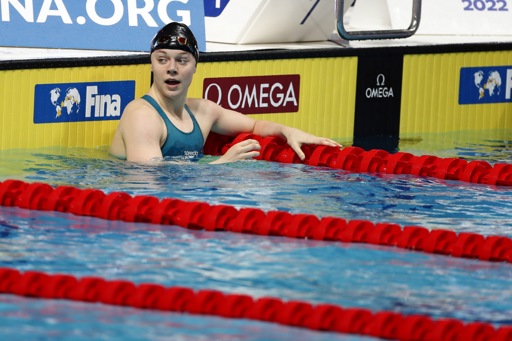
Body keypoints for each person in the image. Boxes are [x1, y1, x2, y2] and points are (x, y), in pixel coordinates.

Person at [109, 22, 341, 164]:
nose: (171, 68)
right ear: (151, 65)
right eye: (162, 60)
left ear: (195, 66)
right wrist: (220, 165)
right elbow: (146, 182)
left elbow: (253, 126)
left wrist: (286, 131)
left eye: (182, 60)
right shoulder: (141, 115)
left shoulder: (203, 111)